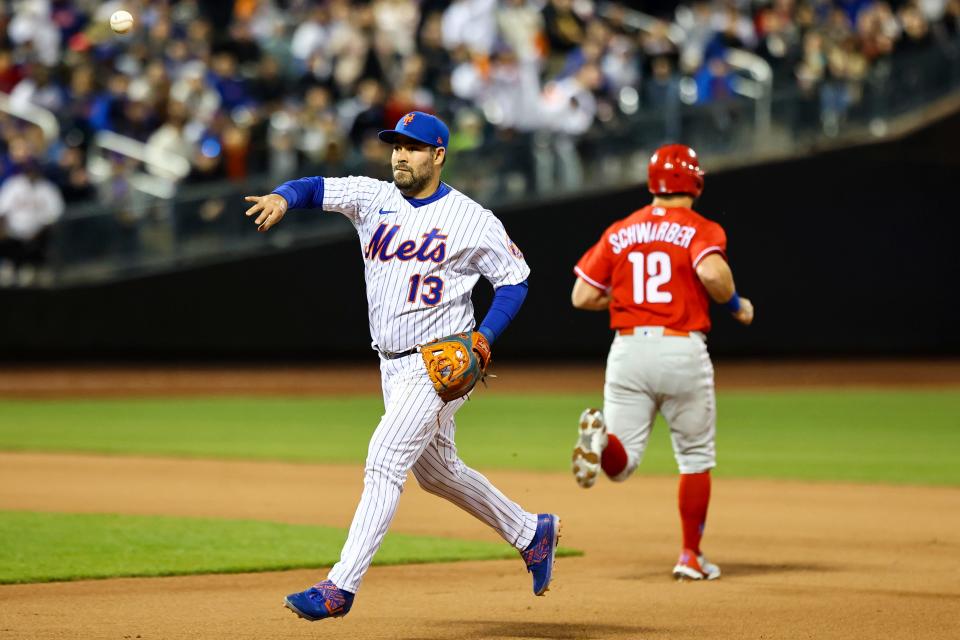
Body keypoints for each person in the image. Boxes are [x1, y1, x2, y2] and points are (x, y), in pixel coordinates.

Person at [243, 111, 559, 621]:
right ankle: (530, 532)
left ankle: (339, 587)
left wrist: (484, 336)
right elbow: (313, 185)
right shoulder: (373, 197)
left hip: (438, 367)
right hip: (390, 365)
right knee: (436, 474)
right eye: (395, 146)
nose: (399, 155)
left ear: (438, 155)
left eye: (412, 147)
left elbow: (515, 280)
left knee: (385, 458)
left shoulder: (472, 218)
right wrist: (283, 196)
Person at [569, 143, 754, 581]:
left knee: (623, 463)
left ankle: (601, 444)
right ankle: (690, 556)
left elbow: (581, 296)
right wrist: (736, 305)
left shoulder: (621, 229)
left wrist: (628, 295)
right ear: (695, 181)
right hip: (680, 348)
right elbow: (710, 272)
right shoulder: (700, 227)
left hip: (628, 350)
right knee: (694, 457)